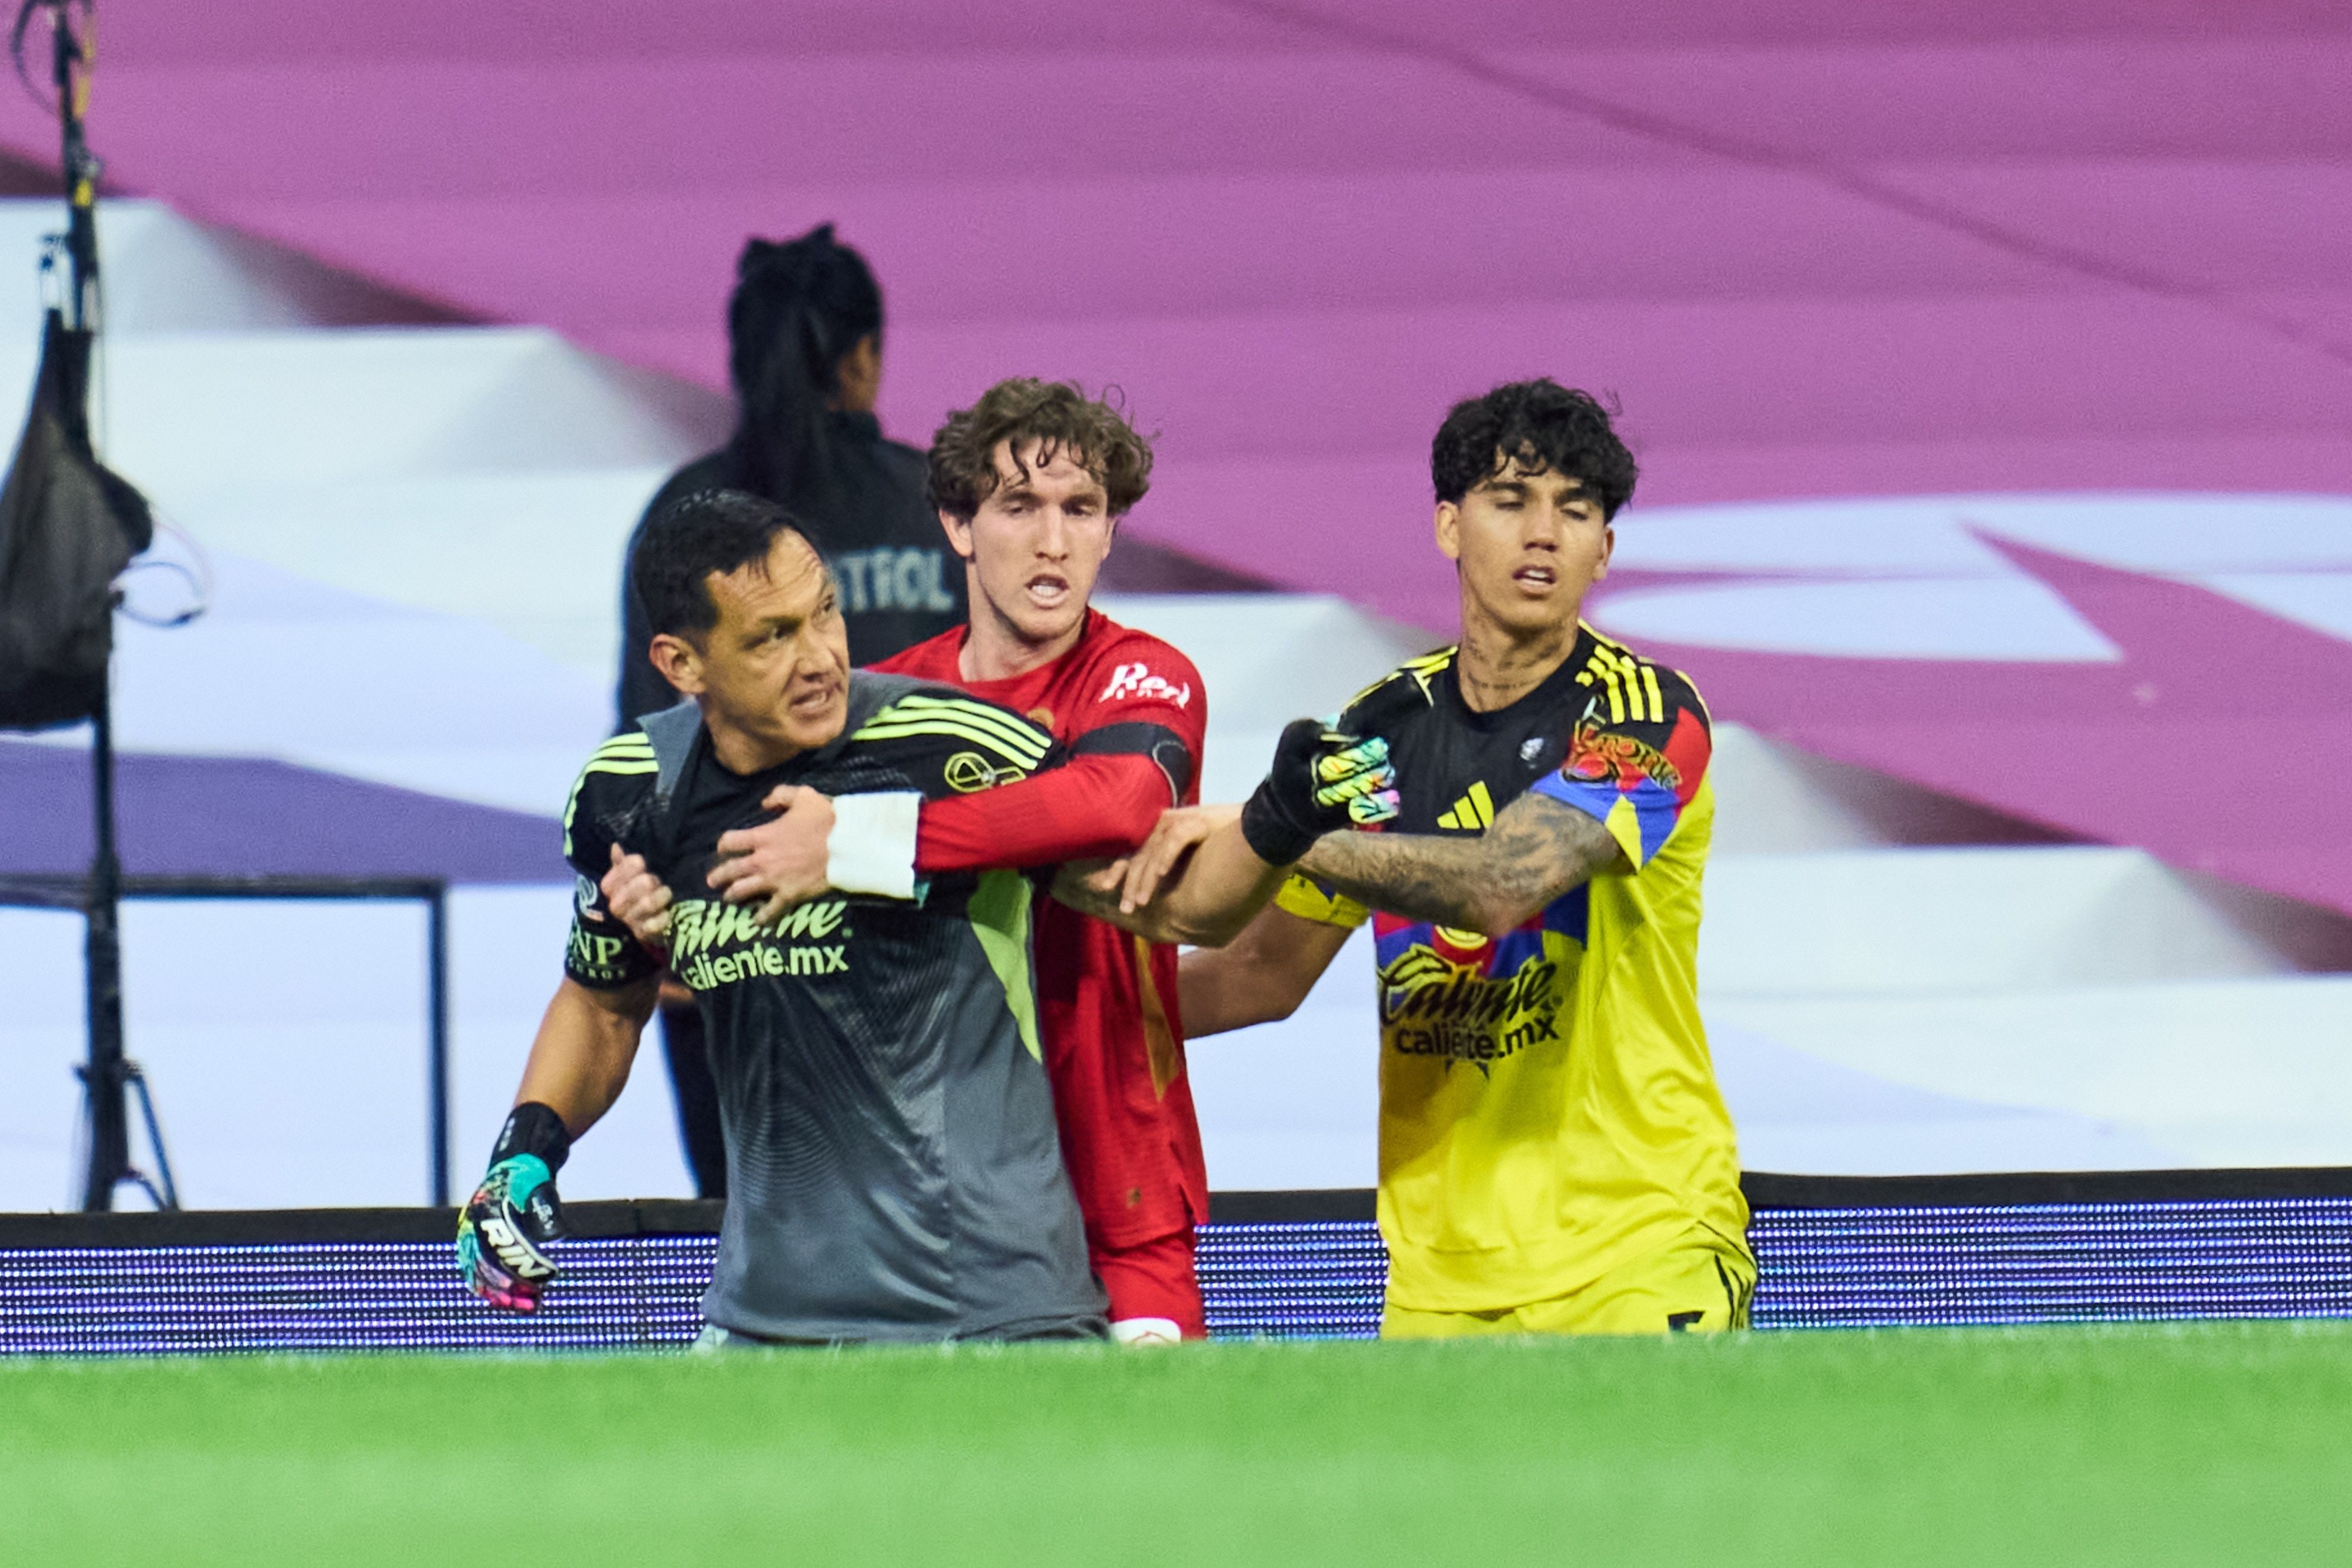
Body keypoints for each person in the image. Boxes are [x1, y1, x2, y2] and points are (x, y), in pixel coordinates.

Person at [459, 488, 1388, 1342]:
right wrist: (526, 1151)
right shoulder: (632, 794)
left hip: (991, 1318)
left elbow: (1173, 907)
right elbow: (601, 1001)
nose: (820, 656)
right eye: (771, 637)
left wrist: (1281, 817)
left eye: (825, 610)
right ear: (679, 663)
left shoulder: (952, 747)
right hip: (761, 1325)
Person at [1146, 379, 1753, 1337]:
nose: (1543, 532)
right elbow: (1260, 974)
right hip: (1436, 1283)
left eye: (1576, 509)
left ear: (1605, 549)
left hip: (1638, 1251)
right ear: (1448, 526)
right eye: (1511, 501)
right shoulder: (1384, 727)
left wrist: (1273, 825)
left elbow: (1503, 886)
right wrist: (1037, 1036)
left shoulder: (1648, 714)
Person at [618, 225, 964, 1199]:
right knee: (914, 1238)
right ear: (863, 360)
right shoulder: (936, 508)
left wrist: (663, 932)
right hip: (913, 945)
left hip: (723, 943)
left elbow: (647, 751)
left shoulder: (683, 520)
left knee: (750, 1234)